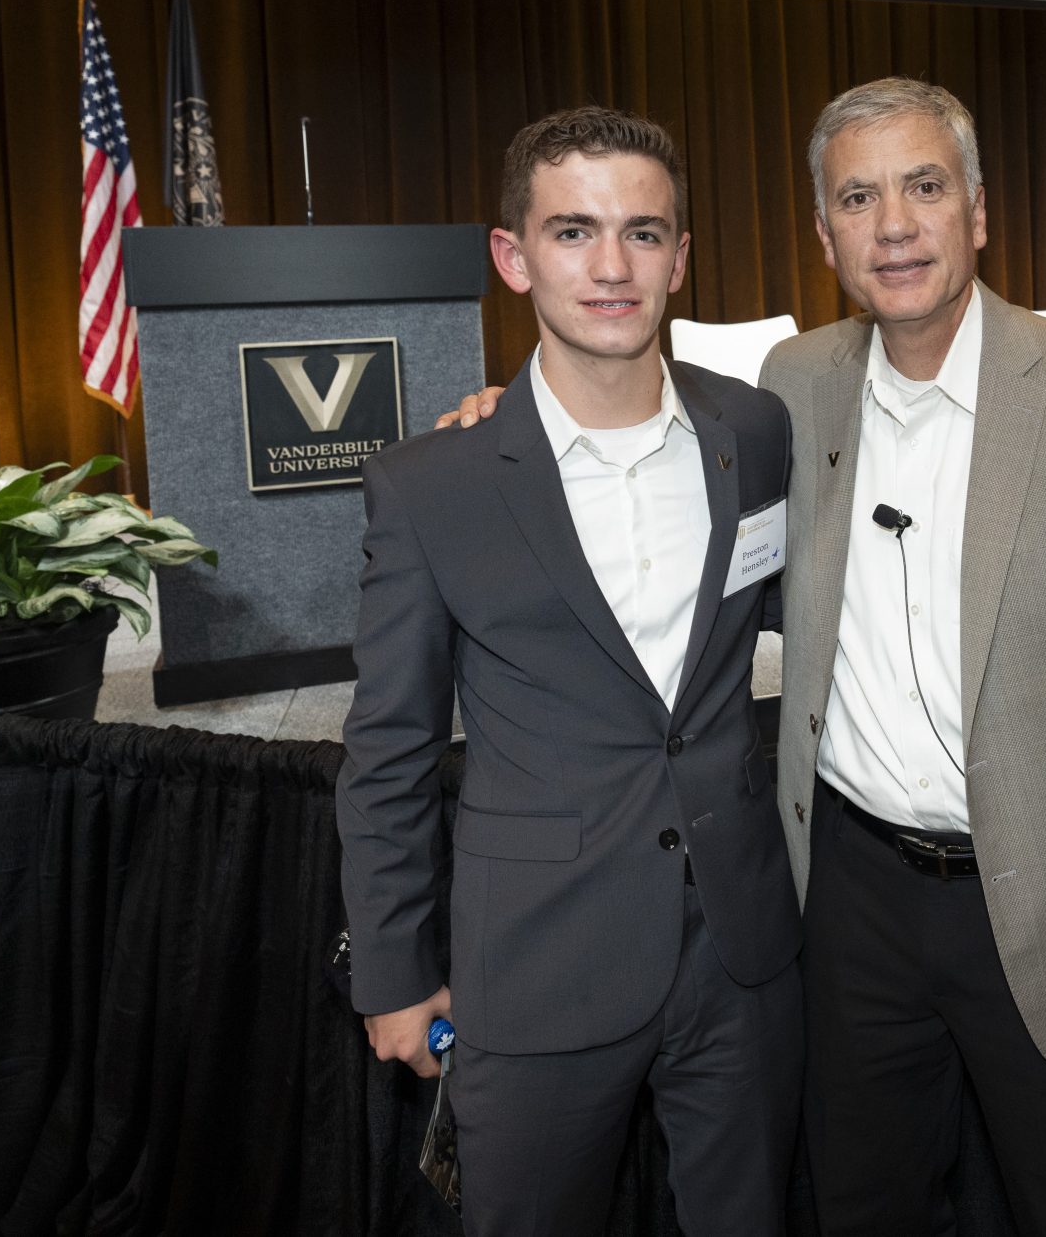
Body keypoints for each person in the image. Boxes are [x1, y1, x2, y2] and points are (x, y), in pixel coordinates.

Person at [442, 78, 1046, 1233]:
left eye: (924, 187)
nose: (896, 226)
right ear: (824, 238)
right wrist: (510, 421)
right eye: (858, 199)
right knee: (863, 1206)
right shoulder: (793, 388)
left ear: (978, 211)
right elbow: (652, 467)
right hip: (849, 903)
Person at [336, 107, 801, 1236]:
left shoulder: (756, 432)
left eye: (643, 233)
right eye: (573, 231)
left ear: (680, 259)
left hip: (741, 954)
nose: (610, 267)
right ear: (514, 257)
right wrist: (392, 971)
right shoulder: (433, 483)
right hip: (538, 962)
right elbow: (390, 748)